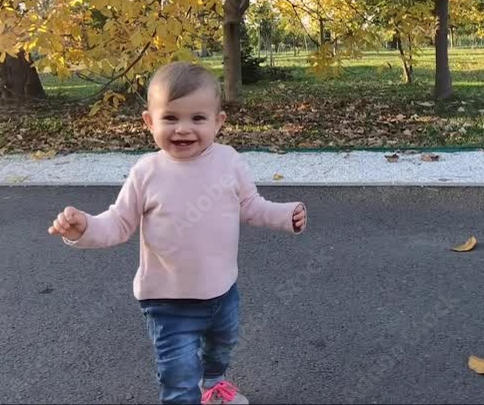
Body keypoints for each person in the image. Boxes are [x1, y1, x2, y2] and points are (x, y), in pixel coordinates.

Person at [48, 61, 307, 404]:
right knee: (179, 374)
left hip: (222, 292)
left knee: (222, 346)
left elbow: (250, 206)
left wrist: (285, 215)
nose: (183, 129)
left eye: (198, 118)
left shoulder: (229, 162)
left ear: (218, 121)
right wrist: (85, 227)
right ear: (149, 121)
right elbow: (119, 222)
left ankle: (213, 385)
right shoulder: (146, 172)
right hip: (167, 302)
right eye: (170, 118)